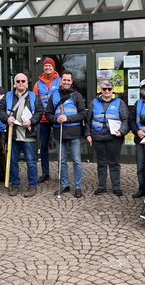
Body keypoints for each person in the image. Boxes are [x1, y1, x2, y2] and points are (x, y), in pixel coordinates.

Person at [0, 73, 43, 197]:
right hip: (13, 135)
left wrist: (32, 121)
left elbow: (39, 112)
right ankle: (15, 184)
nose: (21, 83)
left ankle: (32, 186)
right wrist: (6, 119)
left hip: (28, 134)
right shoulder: (7, 97)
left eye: (23, 81)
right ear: (14, 83)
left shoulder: (34, 97)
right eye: (18, 81)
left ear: (27, 82)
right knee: (12, 161)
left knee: (31, 162)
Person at [45, 70, 86, 198]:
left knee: (77, 161)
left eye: (69, 80)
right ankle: (64, 185)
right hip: (59, 132)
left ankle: (78, 187)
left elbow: (83, 114)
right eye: (64, 80)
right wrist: (55, 119)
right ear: (61, 81)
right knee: (61, 160)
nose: (66, 82)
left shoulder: (77, 96)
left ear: (71, 81)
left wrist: (68, 118)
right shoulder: (54, 95)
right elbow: (48, 114)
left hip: (73, 132)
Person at [85, 80, 129, 196]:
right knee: (101, 163)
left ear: (113, 90)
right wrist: (88, 134)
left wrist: (122, 131)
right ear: (101, 90)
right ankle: (101, 186)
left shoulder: (120, 102)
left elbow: (125, 119)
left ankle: (116, 186)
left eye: (109, 89)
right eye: (104, 89)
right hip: (98, 137)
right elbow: (88, 121)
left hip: (114, 138)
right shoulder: (94, 102)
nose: (107, 91)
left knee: (114, 163)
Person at [33, 57, 61, 184]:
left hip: (56, 118)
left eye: (50, 66)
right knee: (43, 146)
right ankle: (45, 173)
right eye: (46, 66)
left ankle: (62, 172)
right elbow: (34, 101)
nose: (47, 67)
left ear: (53, 68)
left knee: (59, 145)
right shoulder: (38, 84)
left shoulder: (60, 81)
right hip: (43, 119)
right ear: (43, 68)